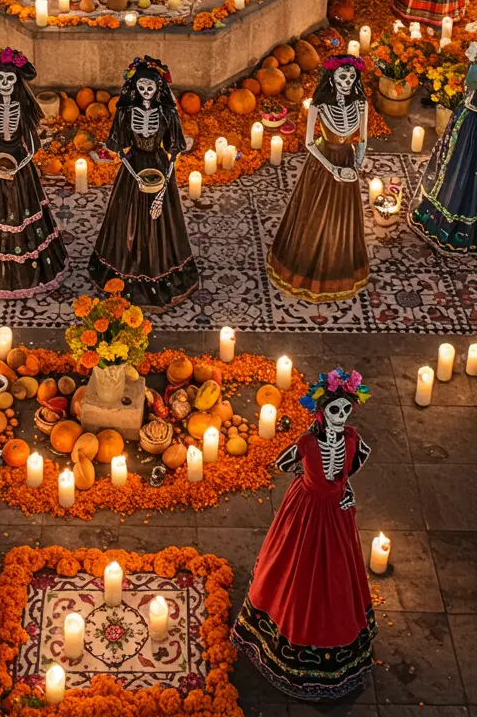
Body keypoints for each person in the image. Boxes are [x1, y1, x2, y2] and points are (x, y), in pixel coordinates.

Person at [231, 366, 375, 700]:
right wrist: (306, 475)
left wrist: (343, 487)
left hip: (336, 515)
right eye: (334, 410)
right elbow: (283, 463)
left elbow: (352, 464)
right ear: (322, 412)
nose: (340, 417)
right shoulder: (307, 443)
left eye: (345, 410)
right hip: (306, 511)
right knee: (296, 565)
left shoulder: (352, 439)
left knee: (336, 572)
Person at [0, 48, 68, 297]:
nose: (5, 84)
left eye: (10, 79)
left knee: (20, 209)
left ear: (17, 81)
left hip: (19, 164)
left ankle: (26, 268)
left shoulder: (23, 107)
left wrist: (18, 165)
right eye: (0, 79)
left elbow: (33, 143)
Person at [88, 56, 199, 311]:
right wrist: (135, 175)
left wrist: (162, 190)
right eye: (142, 87)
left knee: (161, 223)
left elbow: (174, 152)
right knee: (128, 218)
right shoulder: (126, 112)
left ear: (158, 87)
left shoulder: (166, 112)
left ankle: (159, 269)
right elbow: (120, 151)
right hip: (134, 169)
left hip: (158, 166)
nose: (146, 91)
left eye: (150, 87)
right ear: (135, 88)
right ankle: (127, 266)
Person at [268, 56, 370, 300]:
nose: (347, 81)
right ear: (332, 78)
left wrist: (354, 166)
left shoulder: (361, 104)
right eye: (342, 76)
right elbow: (309, 142)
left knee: (342, 216)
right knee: (314, 211)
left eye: (351, 77)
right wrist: (332, 169)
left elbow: (364, 140)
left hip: (347, 160)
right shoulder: (319, 105)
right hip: (324, 161)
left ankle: (338, 266)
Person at [409, 40, 477, 257]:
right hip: (470, 122)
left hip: (470, 124)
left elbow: (471, 83)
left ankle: (454, 226)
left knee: (461, 169)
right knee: (461, 169)